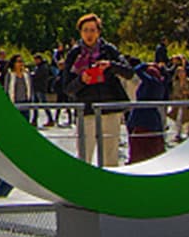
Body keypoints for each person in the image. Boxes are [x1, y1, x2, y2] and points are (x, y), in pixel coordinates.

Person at [57, 13, 134, 167]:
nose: (89, 34)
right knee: (84, 156)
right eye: (85, 30)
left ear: (99, 32)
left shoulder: (109, 50)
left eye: (92, 30)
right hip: (86, 110)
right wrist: (81, 80)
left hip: (110, 107)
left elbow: (129, 72)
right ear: (80, 33)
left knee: (110, 157)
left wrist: (111, 66)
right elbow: (67, 88)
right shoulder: (74, 54)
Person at [126, 61, 168, 163]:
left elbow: (136, 69)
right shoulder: (161, 84)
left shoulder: (150, 81)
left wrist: (145, 64)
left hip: (141, 117)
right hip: (154, 118)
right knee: (154, 146)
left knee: (139, 146)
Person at [3, 55, 36, 122]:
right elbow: (6, 89)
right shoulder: (10, 74)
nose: (21, 64)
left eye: (22, 61)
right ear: (14, 63)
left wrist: (31, 100)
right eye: (19, 62)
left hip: (25, 103)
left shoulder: (26, 74)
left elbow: (30, 87)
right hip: (14, 103)